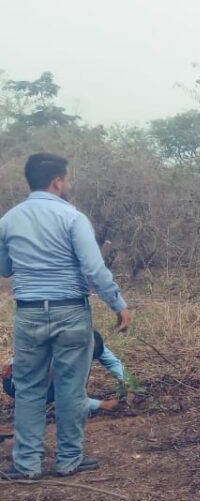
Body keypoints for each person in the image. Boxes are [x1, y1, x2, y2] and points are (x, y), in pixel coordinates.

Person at [0, 153, 131, 480]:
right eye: (67, 179)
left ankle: (26, 464)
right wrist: (118, 304)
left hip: (29, 314)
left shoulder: (8, 220)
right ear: (57, 181)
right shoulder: (72, 217)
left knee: (28, 388)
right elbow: (94, 269)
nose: (68, 184)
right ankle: (69, 459)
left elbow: (4, 269)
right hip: (70, 312)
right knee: (70, 389)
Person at [3, 330, 125, 415]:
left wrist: (125, 381)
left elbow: (112, 362)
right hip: (16, 384)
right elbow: (66, 398)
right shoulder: (59, 356)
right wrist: (101, 404)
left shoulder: (90, 339)